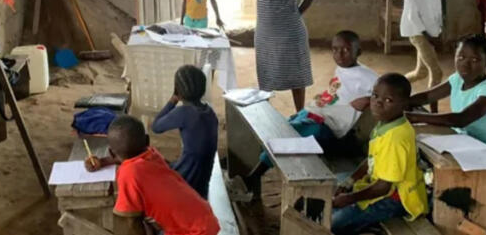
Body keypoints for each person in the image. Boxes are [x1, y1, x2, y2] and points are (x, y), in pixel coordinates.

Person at [243, 31, 378, 193]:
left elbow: (389, 95)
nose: (339, 55)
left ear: (359, 52)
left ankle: (255, 176)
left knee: (291, 136)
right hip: (314, 114)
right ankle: (250, 165)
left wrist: (369, 100)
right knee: (279, 128)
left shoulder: (369, 77)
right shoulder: (342, 68)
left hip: (329, 128)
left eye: (346, 50)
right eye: (335, 49)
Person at [85, 115, 220, 235]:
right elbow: (130, 156)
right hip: (203, 217)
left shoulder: (129, 174)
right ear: (147, 141)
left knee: (129, 220)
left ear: (111, 152)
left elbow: (128, 222)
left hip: (193, 231)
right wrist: (102, 162)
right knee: (146, 221)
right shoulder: (152, 155)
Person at [331, 73, 429, 234]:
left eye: (388, 100)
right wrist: (349, 182)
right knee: (333, 184)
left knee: (333, 222)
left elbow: (383, 188)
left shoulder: (396, 138)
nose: (377, 103)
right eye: (375, 96)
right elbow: (372, 160)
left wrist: (349, 198)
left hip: (394, 199)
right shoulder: (386, 123)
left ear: (404, 104)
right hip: (376, 182)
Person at [406, 34, 486, 153]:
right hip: (464, 142)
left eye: (474, 60)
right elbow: (427, 97)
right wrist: (401, 103)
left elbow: (461, 119)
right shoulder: (457, 79)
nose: (465, 64)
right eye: (461, 57)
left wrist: (413, 117)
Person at [151, 65, 218, 199]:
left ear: (178, 90)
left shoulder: (184, 112)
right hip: (204, 176)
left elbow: (156, 126)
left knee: (148, 169)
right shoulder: (210, 112)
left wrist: (173, 100)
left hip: (187, 175)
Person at [400, 0, 443, 112]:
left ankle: (396, 85)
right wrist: (429, 38)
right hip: (418, 34)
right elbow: (413, 17)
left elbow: (437, 10)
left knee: (421, 73)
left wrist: (438, 30)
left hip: (431, 32)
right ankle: (434, 111)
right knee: (436, 72)